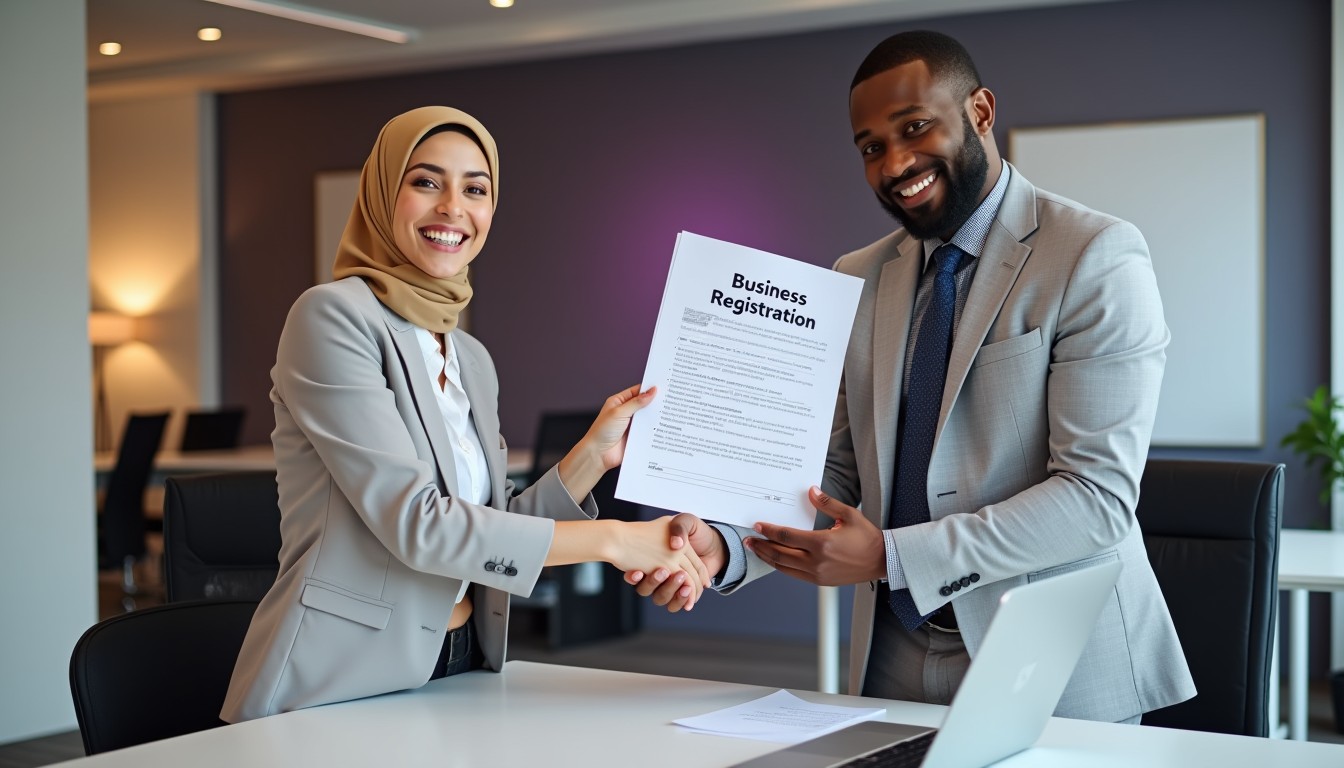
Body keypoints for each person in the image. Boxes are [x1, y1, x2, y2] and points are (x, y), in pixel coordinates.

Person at [627, 30, 1195, 724]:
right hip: (893, 656)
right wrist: (722, 544)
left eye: (915, 127)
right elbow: (833, 473)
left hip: (1052, 666)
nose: (895, 162)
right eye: (871, 147)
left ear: (981, 112)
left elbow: (1094, 498)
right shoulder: (856, 277)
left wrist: (890, 557)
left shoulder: (1094, 255)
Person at [221, 106, 707, 723]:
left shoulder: (469, 355)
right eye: (426, 182)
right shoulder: (331, 318)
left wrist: (593, 456)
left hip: (461, 659)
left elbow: (487, 529)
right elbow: (420, 526)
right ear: (381, 194)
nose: (453, 208)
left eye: (475, 189)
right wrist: (614, 539)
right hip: (340, 674)